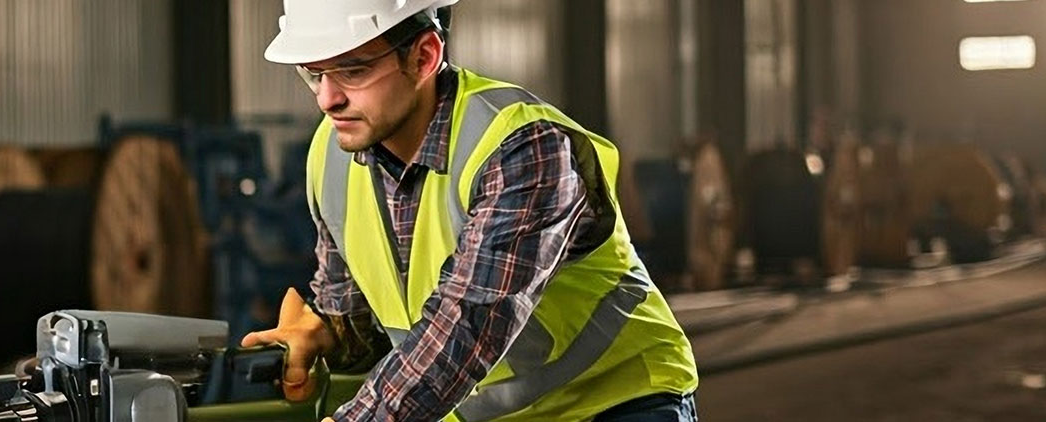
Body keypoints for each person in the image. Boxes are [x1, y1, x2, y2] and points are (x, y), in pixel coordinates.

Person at [238, 1, 700, 421]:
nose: (327, 99)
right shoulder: (332, 154)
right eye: (314, 74)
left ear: (423, 56)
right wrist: (329, 333)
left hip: (616, 404)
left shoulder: (521, 148)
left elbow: (468, 324)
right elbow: (362, 318)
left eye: (352, 72)